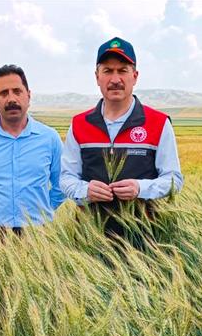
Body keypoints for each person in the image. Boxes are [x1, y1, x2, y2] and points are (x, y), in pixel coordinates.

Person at [60, 37, 183, 236]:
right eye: (108, 71)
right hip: (89, 236)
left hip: (145, 237)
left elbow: (174, 180)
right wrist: (85, 190)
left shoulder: (158, 123)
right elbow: (67, 177)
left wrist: (140, 188)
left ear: (135, 76)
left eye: (122, 70)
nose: (115, 79)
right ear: (97, 77)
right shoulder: (79, 124)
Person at [0, 64, 65, 233]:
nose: (11, 99)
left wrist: (43, 211)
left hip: (39, 233)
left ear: (28, 95)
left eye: (17, 91)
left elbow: (61, 184)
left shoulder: (50, 138)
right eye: (3, 93)